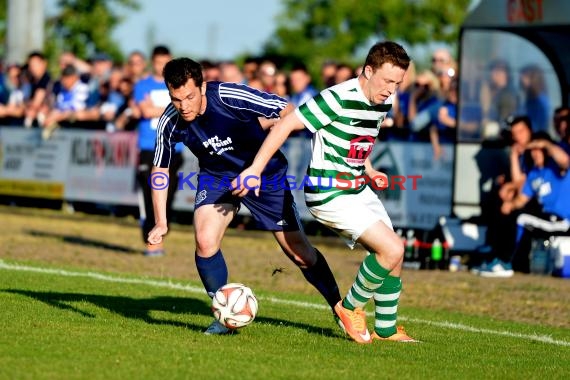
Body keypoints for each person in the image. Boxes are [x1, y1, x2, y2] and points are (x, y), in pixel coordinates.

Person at [232, 41, 416, 344]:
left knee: (394, 256)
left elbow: (358, 137)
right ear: (368, 71)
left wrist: (369, 170)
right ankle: (349, 307)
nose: (391, 89)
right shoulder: (336, 98)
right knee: (391, 248)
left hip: (358, 186)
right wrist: (254, 169)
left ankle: (385, 330)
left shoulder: (383, 101)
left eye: (397, 83)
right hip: (328, 192)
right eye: (386, 81)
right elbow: (284, 126)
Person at [146, 57, 341, 335]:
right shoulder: (169, 121)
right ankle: (224, 314)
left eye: (189, 96)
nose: (184, 106)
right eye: (176, 99)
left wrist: (256, 163)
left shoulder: (229, 95)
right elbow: (160, 169)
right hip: (217, 177)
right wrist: (161, 221)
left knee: (300, 255)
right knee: (204, 240)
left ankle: (341, 308)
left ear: (202, 87)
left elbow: (288, 110)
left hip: (264, 174)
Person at [134, 45, 183, 256]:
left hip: (174, 147)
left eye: (165, 62)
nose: (161, 66)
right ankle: (152, 240)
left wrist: (156, 109)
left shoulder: (177, 85)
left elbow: (184, 108)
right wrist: (172, 108)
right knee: (149, 193)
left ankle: (160, 232)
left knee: (168, 195)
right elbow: (144, 111)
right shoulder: (142, 85)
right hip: (148, 146)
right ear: (152, 62)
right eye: (158, 62)